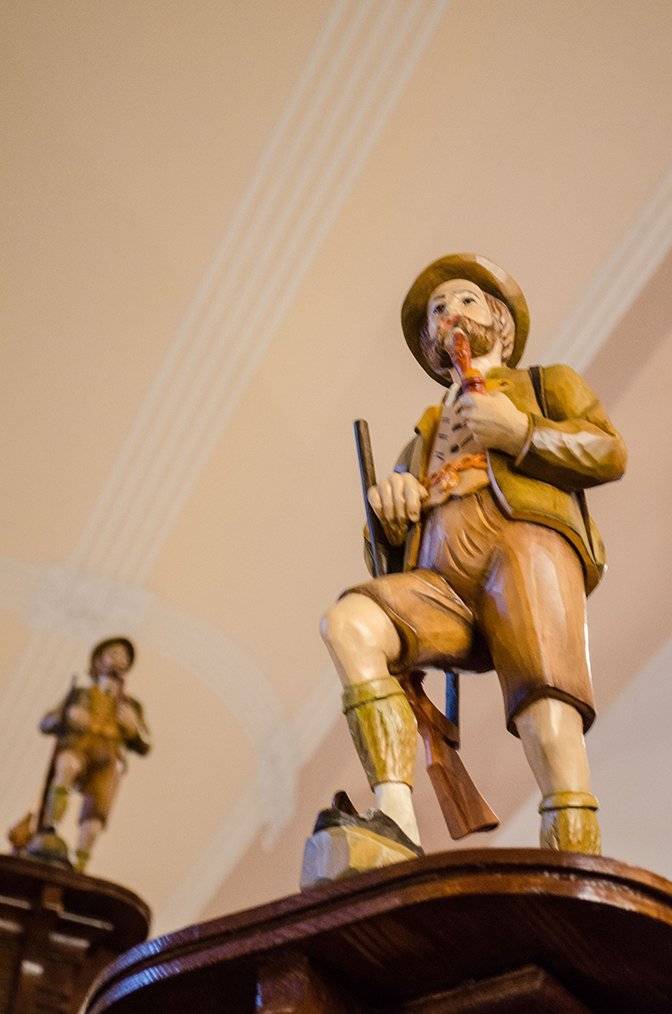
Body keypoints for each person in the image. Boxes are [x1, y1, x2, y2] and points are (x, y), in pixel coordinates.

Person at [321, 253, 626, 860]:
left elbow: (607, 451)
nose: (450, 314)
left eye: (466, 301)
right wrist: (390, 514)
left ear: (500, 323)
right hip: (440, 579)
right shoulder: (422, 438)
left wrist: (520, 433)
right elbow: (385, 555)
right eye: (438, 310)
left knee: (547, 708)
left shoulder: (546, 384)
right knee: (349, 623)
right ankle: (396, 819)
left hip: (525, 546)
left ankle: (571, 858)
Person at [38, 637, 150, 871]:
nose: (119, 659)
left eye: (124, 656)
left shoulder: (131, 706)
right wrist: (69, 715)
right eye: (113, 653)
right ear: (99, 660)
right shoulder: (81, 694)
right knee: (68, 765)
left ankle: (82, 860)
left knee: (96, 815)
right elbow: (47, 722)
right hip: (79, 746)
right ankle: (50, 826)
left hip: (107, 757)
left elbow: (144, 743)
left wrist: (133, 728)